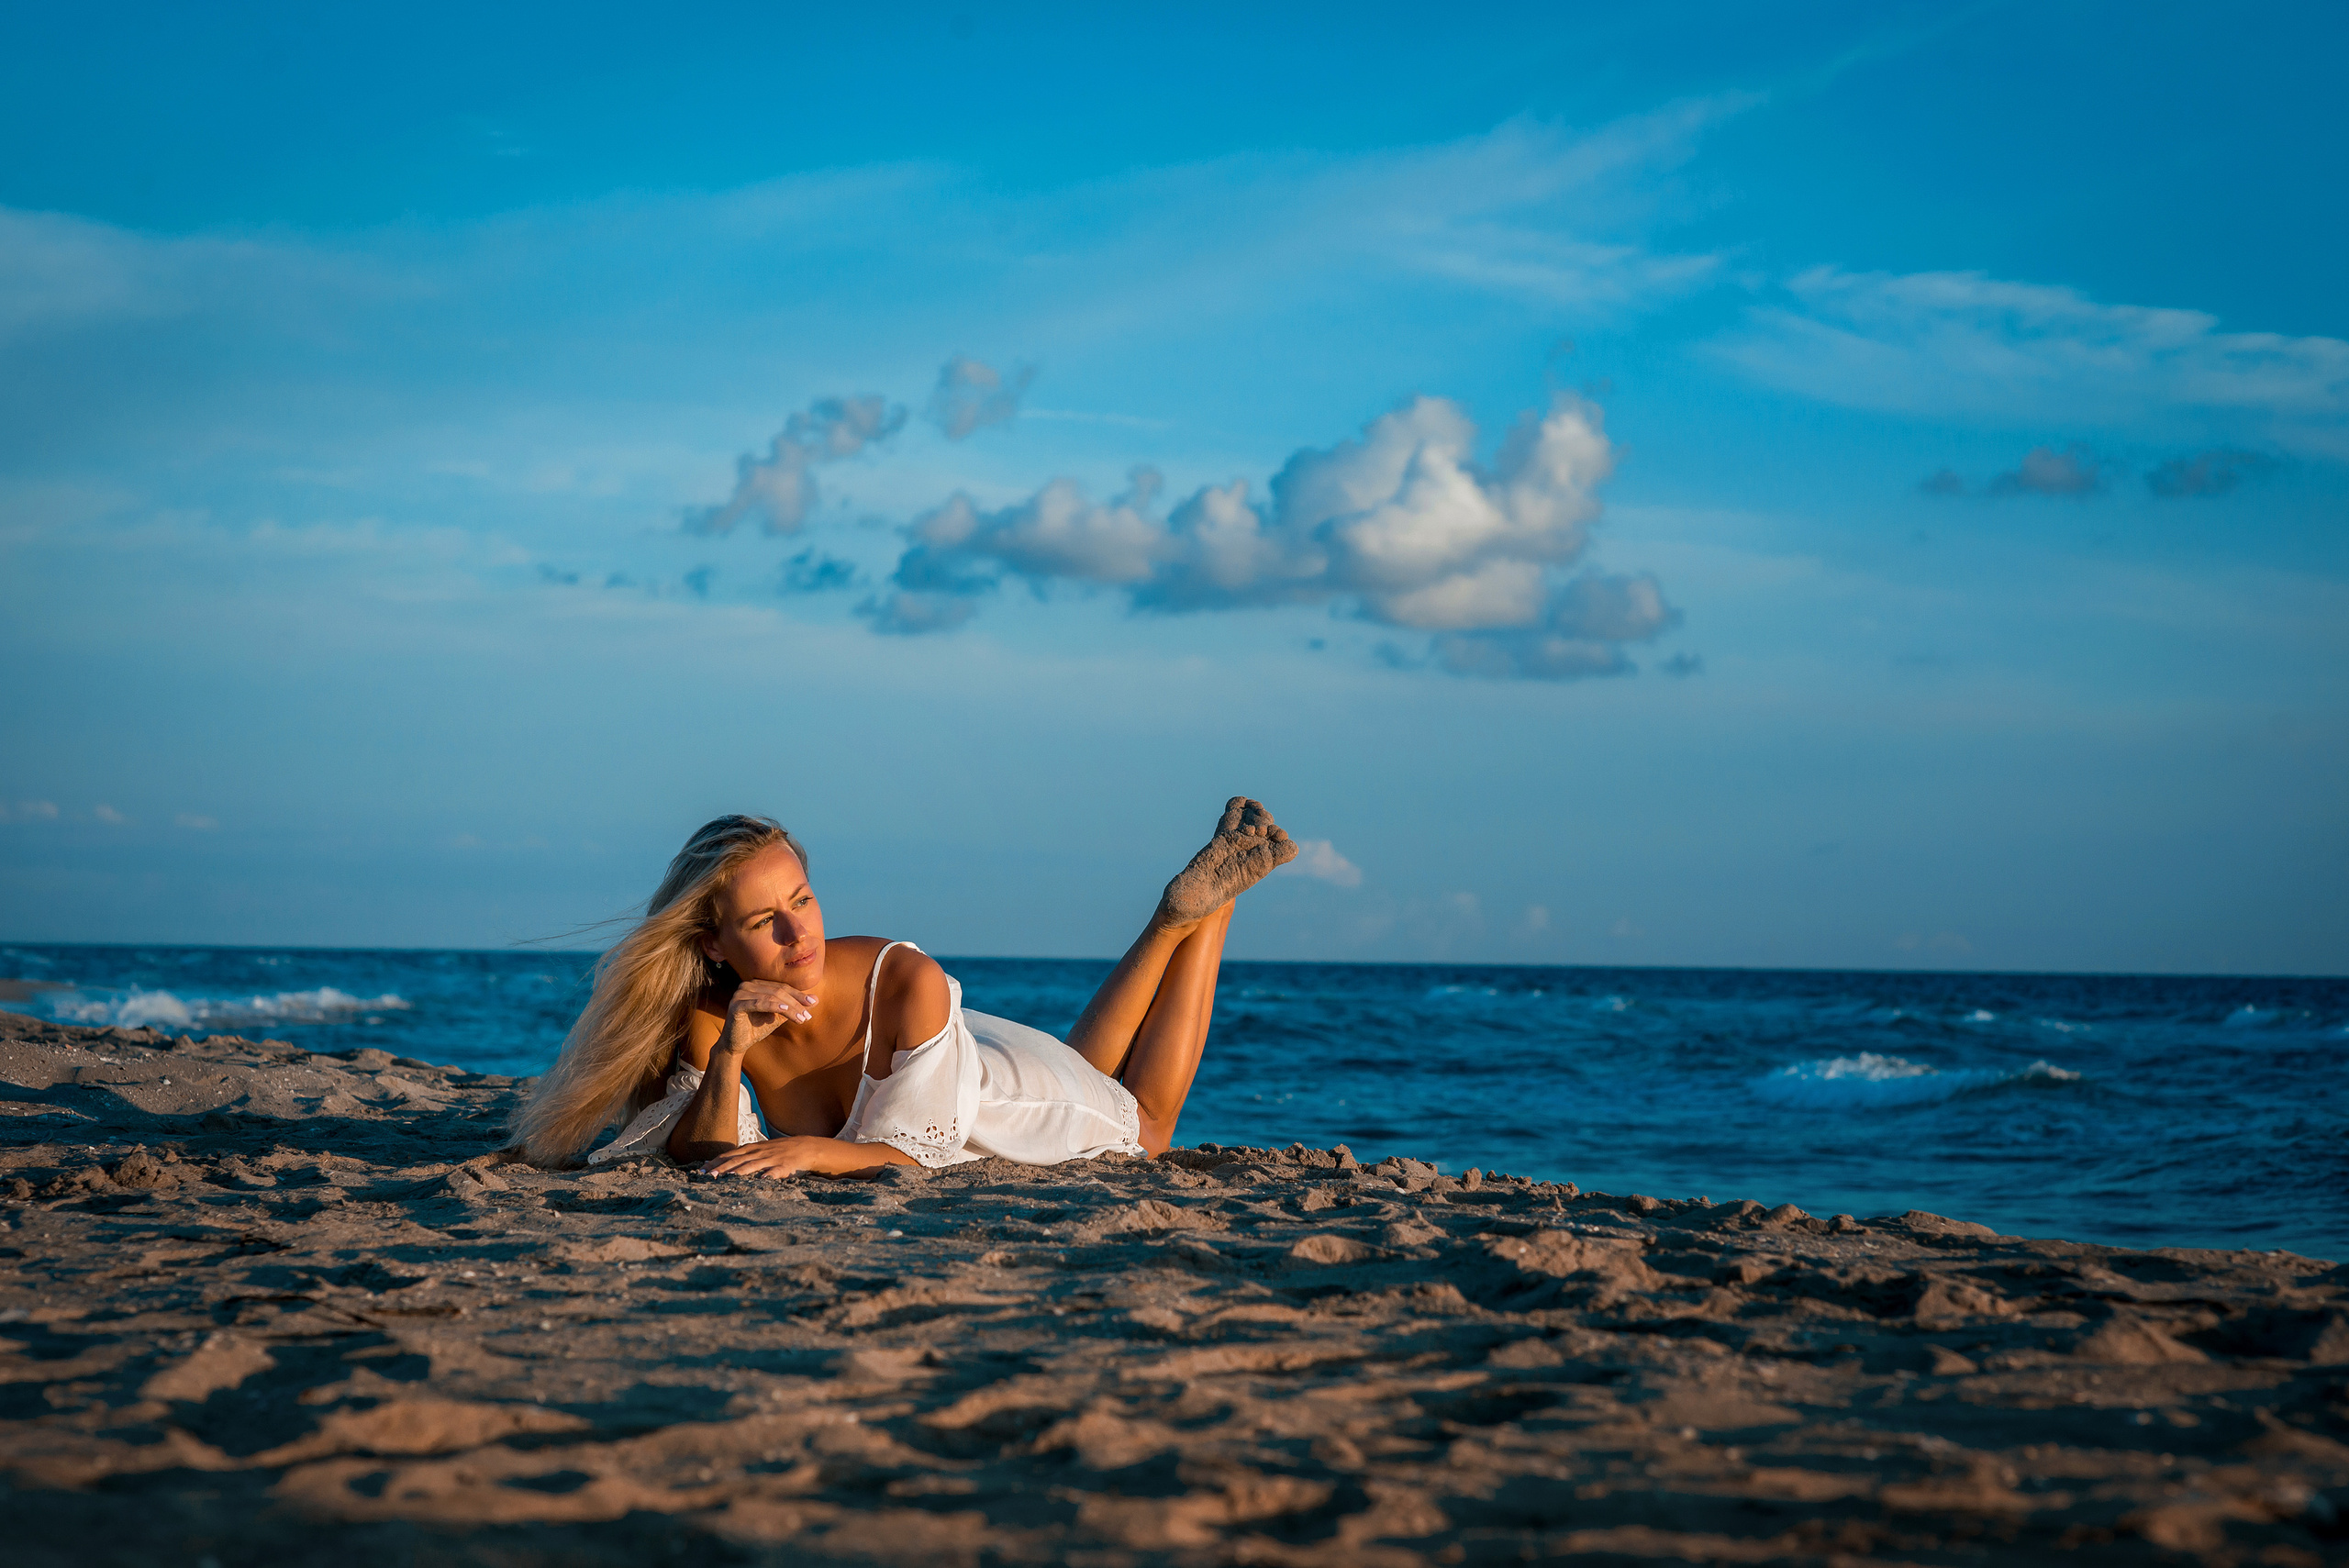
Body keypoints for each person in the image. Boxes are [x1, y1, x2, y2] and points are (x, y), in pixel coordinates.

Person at [509, 799, 1297, 1174]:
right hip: (975, 1060)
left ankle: (1205, 914)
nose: (799, 934)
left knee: (1145, 1125)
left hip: (1001, 1099)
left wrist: (816, 1150)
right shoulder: (715, 1011)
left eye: (803, 901)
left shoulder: (904, 979)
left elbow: (922, 1157)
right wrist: (727, 1058)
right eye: (765, 922)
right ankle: (1168, 927)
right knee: (1078, 1063)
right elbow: (710, 1157)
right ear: (713, 944)